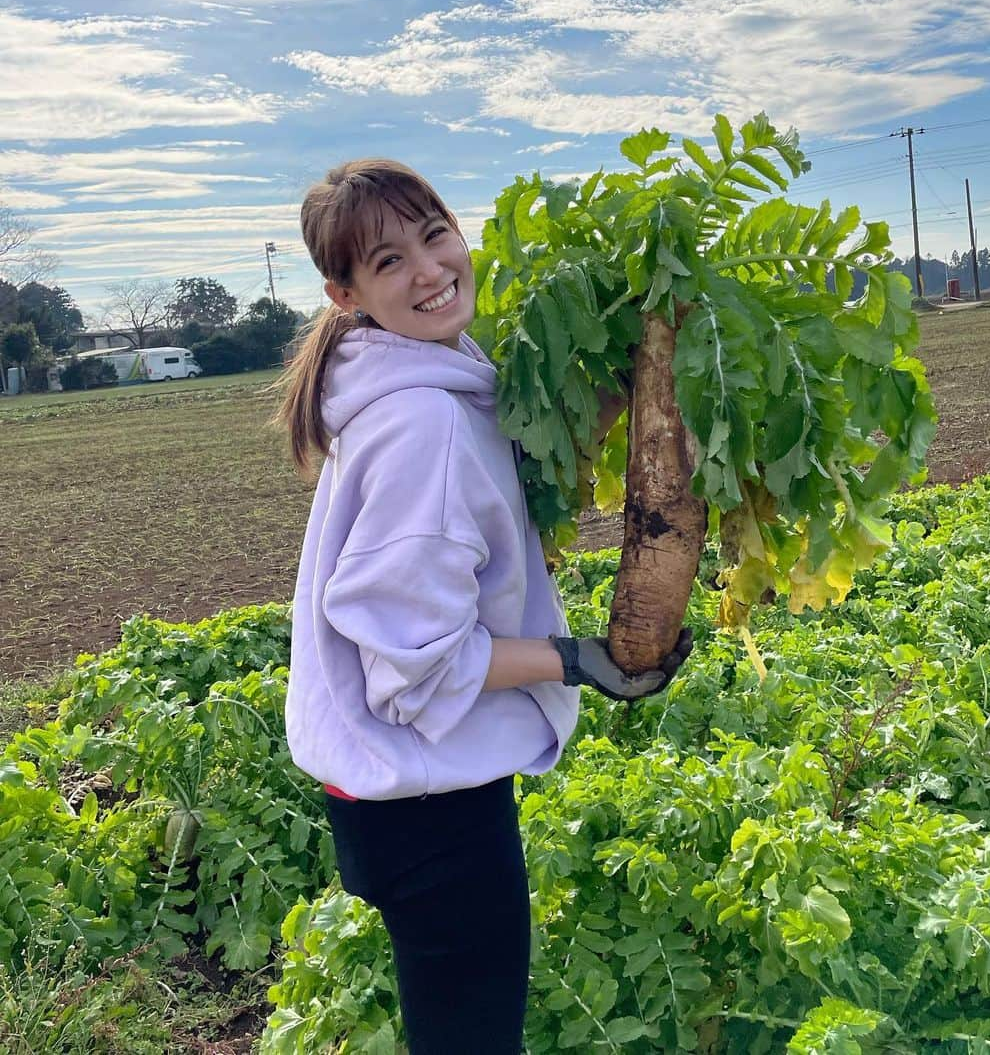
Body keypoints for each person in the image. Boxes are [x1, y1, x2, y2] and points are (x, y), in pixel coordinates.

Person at [274, 158, 693, 1054]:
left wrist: (637, 382)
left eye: (433, 236)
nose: (429, 271)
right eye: (388, 263)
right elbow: (415, 667)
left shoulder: (426, 373)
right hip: (425, 803)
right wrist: (581, 661)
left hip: (401, 790)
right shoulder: (419, 423)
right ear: (344, 296)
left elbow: (511, 451)